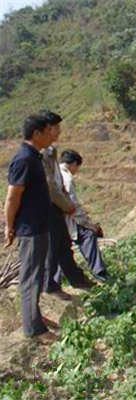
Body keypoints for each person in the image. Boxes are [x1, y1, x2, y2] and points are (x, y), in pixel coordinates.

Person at [4, 115, 57, 344]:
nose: (51, 134)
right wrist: (9, 227)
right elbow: (12, 197)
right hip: (30, 229)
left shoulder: (33, 157)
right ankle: (34, 329)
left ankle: (34, 316)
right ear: (36, 133)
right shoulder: (23, 159)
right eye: (48, 130)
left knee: (36, 274)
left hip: (38, 226)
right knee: (31, 278)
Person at [40, 110, 93, 301]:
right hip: (49, 207)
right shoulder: (41, 155)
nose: (60, 131)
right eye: (57, 127)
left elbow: (57, 183)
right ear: (47, 129)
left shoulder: (51, 152)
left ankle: (76, 279)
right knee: (53, 248)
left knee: (63, 244)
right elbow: (50, 187)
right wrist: (67, 206)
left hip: (57, 206)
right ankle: (50, 286)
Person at [59, 150, 109, 282]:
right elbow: (73, 206)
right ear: (74, 164)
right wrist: (89, 224)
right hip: (65, 218)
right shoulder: (67, 179)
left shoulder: (54, 172)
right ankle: (99, 272)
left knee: (59, 250)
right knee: (88, 235)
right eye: (77, 167)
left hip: (53, 218)